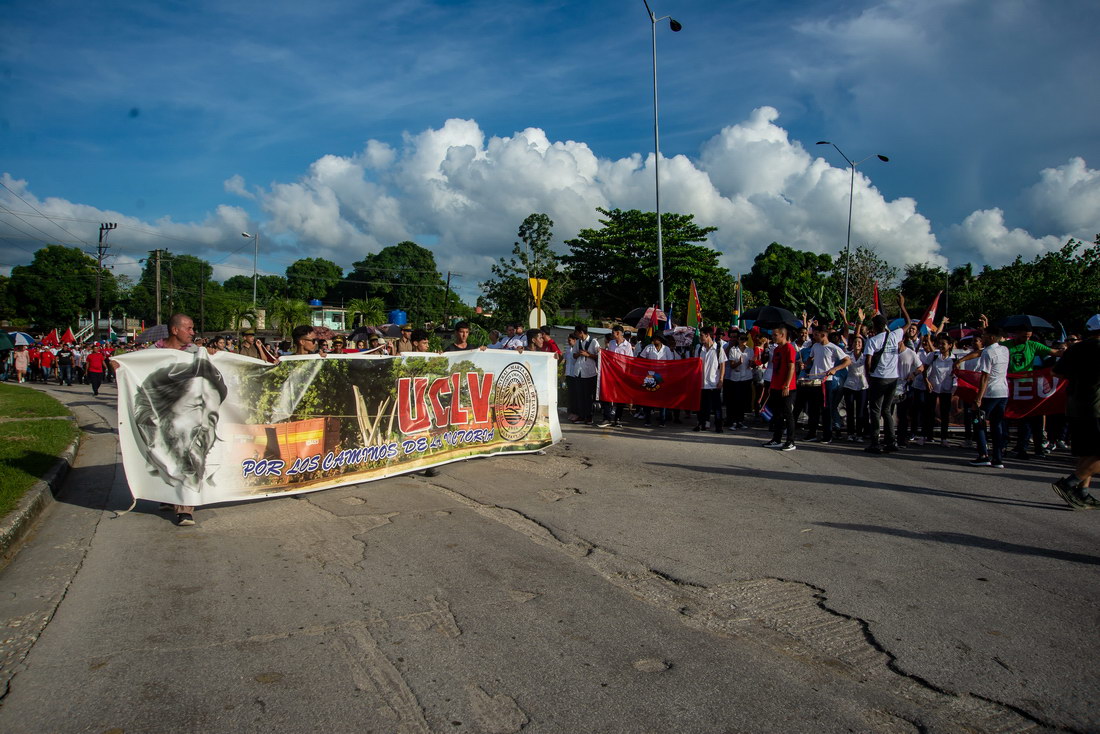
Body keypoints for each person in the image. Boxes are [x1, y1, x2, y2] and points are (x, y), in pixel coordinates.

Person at [1049, 314, 1100, 509]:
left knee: (1088, 451)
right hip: (1096, 405)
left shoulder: (1075, 348)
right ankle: (1070, 483)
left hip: (1075, 404)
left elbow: (1055, 371)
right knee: (1095, 452)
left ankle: (1082, 492)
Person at [863, 295, 911, 454]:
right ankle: (891, 441)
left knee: (875, 410)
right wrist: (902, 306)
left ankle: (875, 442)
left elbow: (868, 362)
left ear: (874, 327)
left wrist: (869, 376)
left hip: (878, 378)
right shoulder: (895, 335)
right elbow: (908, 323)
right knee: (887, 410)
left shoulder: (873, 341)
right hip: (893, 378)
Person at [969, 326, 1010, 469]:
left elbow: (984, 377)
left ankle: (983, 455)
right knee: (996, 425)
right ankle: (998, 458)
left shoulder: (988, 352)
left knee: (978, 422)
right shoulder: (1005, 350)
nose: (982, 338)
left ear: (992, 338)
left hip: (991, 392)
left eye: (985, 336)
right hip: (1003, 392)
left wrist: (978, 398)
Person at [803, 324, 850, 444]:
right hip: (814, 381)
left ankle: (827, 435)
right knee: (812, 409)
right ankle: (812, 433)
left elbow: (847, 360)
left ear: (823, 335)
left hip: (826, 382)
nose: (814, 337)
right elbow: (811, 358)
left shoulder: (833, 348)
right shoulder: (815, 346)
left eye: (816, 334)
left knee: (826, 409)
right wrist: (805, 364)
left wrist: (835, 369)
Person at [762, 324, 797, 450]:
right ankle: (777, 439)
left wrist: (786, 384)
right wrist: (772, 385)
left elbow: (791, 367)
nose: (773, 337)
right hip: (776, 385)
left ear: (782, 335)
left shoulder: (789, 348)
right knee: (777, 415)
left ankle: (791, 441)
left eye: (775, 335)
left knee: (788, 414)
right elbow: (775, 369)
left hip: (787, 387)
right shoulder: (776, 349)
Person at [922, 335, 957, 447]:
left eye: (944, 344)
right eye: (940, 344)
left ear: (950, 346)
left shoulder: (954, 358)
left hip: (946, 389)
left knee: (945, 413)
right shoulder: (934, 355)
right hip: (933, 387)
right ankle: (927, 435)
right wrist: (926, 381)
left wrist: (954, 389)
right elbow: (924, 369)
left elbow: (956, 375)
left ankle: (944, 438)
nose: (941, 346)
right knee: (929, 412)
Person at [638, 334, 675, 427]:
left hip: (662, 377)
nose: (655, 340)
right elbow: (641, 358)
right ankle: (648, 419)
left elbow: (670, 362)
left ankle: (662, 420)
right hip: (650, 376)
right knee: (649, 398)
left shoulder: (666, 349)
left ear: (661, 340)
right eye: (654, 338)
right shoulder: (648, 347)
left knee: (662, 399)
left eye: (657, 338)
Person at [600, 325, 634, 427]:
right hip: (611, 373)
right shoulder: (611, 343)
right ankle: (607, 418)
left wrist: (627, 375)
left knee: (620, 397)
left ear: (618, 333)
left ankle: (617, 418)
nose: (612, 335)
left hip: (621, 374)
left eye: (613, 333)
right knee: (607, 394)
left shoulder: (627, 345)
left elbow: (630, 361)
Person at [723, 333, 754, 429]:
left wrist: (752, 363)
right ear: (738, 340)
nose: (743, 341)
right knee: (735, 401)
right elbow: (731, 365)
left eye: (745, 339)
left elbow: (752, 364)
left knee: (743, 401)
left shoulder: (750, 350)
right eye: (741, 339)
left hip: (746, 378)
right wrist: (738, 363)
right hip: (735, 378)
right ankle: (733, 421)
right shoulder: (733, 350)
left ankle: (740, 421)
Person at [842, 335, 869, 441]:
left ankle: (859, 434)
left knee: (861, 411)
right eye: (855, 342)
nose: (857, 344)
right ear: (852, 344)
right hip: (849, 385)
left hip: (863, 385)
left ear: (862, 345)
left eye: (859, 343)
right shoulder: (848, 356)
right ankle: (850, 433)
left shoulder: (866, 357)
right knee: (850, 410)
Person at [572, 325, 600, 425]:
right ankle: (581, 415)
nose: (575, 334)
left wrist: (588, 355)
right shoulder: (578, 342)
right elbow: (574, 355)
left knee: (588, 396)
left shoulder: (593, 342)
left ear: (581, 332)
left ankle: (589, 416)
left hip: (590, 372)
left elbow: (599, 356)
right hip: (579, 372)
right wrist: (580, 354)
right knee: (580, 395)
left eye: (576, 332)